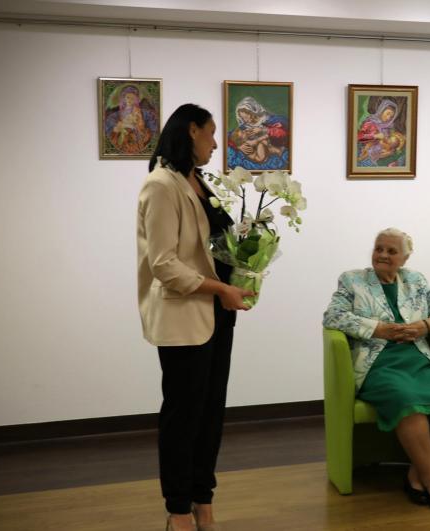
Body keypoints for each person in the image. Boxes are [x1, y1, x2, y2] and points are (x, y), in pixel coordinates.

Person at [137, 103, 255, 531]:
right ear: (191, 131)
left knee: (211, 414)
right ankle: (178, 509)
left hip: (217, 316)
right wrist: (220, 289)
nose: (216, 143)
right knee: (183, 418)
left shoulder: (198, 181)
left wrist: (245, 263)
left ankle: (204, 499)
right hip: (184, 317)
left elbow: (211, 247)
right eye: (211, 133)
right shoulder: (160, 185)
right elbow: (163, 264)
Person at [323, 228, 430, 513]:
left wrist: (424, 326)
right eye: (379, 248)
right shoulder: (352, 280)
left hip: (416, 358)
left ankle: (416, 475)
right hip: (376, 363)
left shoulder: (416, 280)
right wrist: (378, 329)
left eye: (391, 251)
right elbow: (333, 316)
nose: (382, 255)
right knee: (408, 404)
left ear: (405, 258)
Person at [227, 96, 289, 170]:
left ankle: (277, 151)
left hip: (272, 147)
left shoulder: (269, 120)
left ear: (253, 111)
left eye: (246, 117)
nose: (245, 120)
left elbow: (283, 133)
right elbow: (230, 136)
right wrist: (238, 146)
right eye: (243, 118)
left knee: (263, 143)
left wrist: (263, 130)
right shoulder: (245, 126)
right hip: (260, 154)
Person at [105, 85, 158, 154]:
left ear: (136, 99)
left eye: (133, 98)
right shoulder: (114, 115)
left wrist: (136, 128)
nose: (130, 100)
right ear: (124, 98)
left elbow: (152, 129)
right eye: (128, 97)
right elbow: (111, 128)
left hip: (137, 140)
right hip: (122, 141)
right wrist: (122, 126)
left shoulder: (144, 113)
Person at [356, 99, 405, 167]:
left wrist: (390, 150)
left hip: (380, 154)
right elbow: (359, 137)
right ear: (381, 110)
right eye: (388, 113)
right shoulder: (370, 123)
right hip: (366, 152)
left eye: (391, 117)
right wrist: (375, 136)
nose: (388, 118)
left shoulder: (388, 127)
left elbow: (390, 142)